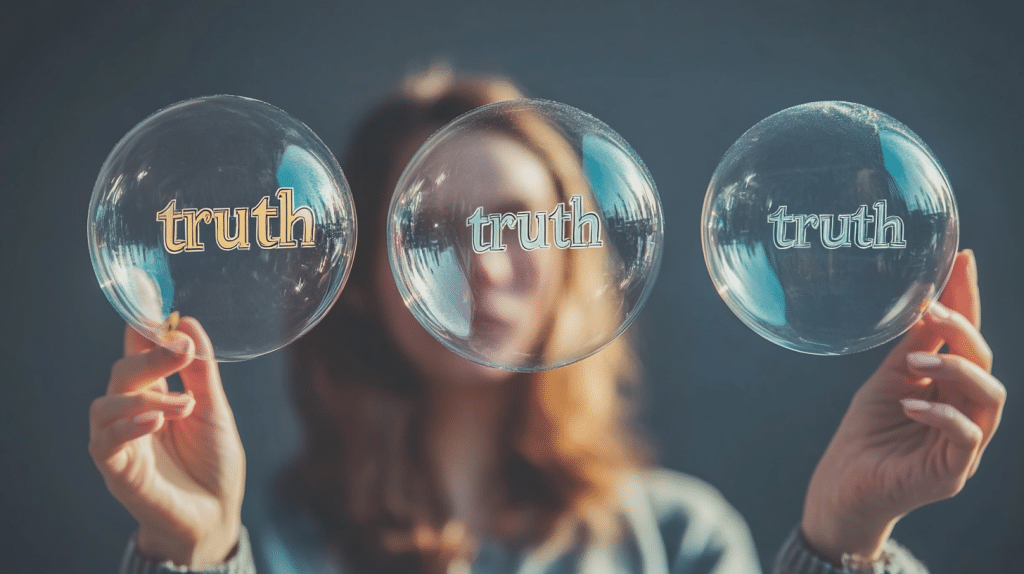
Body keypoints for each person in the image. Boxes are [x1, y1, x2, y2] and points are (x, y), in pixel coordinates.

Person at [88, 68, 1004, 574]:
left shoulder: (678, 541)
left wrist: (846, 544)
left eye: (519, 224)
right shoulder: (263, 541)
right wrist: (190, 554)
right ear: (361, 276)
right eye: (439, 231)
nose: (485, 264)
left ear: (573, 256)